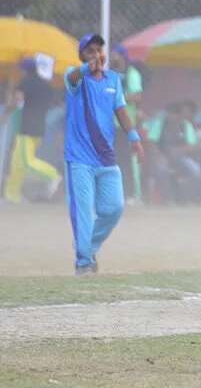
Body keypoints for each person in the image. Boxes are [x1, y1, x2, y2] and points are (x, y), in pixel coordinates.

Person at [63, 34, 144, 275]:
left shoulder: (113, 79)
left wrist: (134, 138)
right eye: (90, 50)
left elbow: (121, 110)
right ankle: (84, 262)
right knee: (84, 213)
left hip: (106, 157)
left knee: (114, 208)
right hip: (79, 158)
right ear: (82, 56)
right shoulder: (76, 78)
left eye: (99, 49)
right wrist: (86, 68)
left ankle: (87, 246)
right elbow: (72, 77)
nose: (97, 54)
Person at [2, 57, 61, 203]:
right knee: (17, 163)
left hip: (27, 128)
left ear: (25, 70)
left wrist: (7, 112)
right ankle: (12, 194)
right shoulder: (46, 86)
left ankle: (53, 175)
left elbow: (18, 99)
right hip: (39, 128)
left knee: (26, 161)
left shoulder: (26, 81)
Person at [147, 102, 201, 205]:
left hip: (180, 157)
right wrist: (158, 154)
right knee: (161, 170)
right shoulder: (160, 123)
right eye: (168, 114)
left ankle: (186, 199)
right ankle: (169, 199)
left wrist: (178, 150)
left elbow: (191, 146)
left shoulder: (186, 125)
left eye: (172, 114)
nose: (169, 116)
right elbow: (152, 142)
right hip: (163, 156)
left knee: (196, 170)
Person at [110, 45, 143, 205]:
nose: (112, 57)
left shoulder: (132, 73)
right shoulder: (109, 74)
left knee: (125, 159)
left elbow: (137, 96)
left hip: (125, 123)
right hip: (109, 124)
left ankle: (131, 194)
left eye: (114, 54)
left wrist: (118, 98)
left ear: (122, 56)